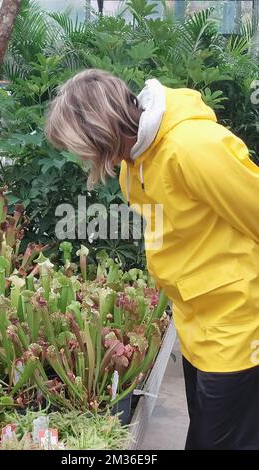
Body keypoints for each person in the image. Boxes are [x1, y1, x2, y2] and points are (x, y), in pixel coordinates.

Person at [45, 68, 259, 450]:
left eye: (79, 146)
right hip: (197, 324)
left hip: (239, 329)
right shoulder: (136, 162)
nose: (80, 157)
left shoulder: (192, 148)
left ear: (99, 131)